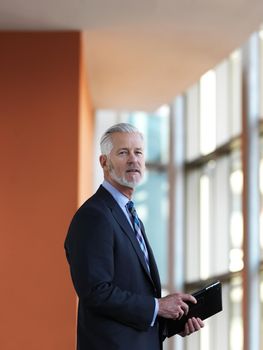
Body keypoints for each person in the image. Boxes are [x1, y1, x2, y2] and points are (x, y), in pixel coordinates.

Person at [64, 123, 204, 350]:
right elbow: (96, 292)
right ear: (104, 162)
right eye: (123, 152)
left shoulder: (129, 215)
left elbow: (132, 299)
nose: (133, 159)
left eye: (138, 152)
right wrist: (157, 307)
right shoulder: (94, 216)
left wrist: (172, 320)